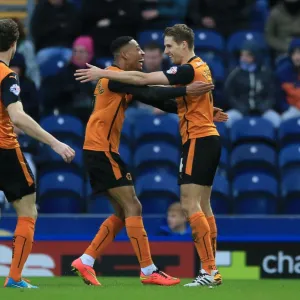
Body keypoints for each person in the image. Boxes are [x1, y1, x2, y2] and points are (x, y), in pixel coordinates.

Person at [75, 24, 226, 287]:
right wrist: (186, 93)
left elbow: (156, 98)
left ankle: (87, 260)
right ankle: (149, 270)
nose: (145, 54)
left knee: (127, 210)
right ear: (124, 55)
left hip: (103, 149)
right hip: (101, 149)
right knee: (134, 207)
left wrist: (201, 107)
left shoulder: (121, 78)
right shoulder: (112, 76)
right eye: (138, 50)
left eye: (167, 46)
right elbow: (152, 89)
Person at [0, 19, 75, 289]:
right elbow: (17, 117)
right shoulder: (7, 76)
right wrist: (54, 142)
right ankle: (15, 278)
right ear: (15, 43)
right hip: (4, 151)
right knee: (27, 211)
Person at [225, 41, 281, 128]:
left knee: (277, 121)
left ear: (255, 56)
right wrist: (241, 108)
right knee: (227, 121)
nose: (243, 58)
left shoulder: (266, 73)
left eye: (247, 55)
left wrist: (264, 107)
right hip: (240, 109)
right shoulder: (234, 74)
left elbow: (272, 94)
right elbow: (229, 95)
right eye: (242, 55)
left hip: (263, 109)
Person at [30, 0, 80, 66]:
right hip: (46, 47)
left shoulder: (70, 8)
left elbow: (76, 29)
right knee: (42, 58)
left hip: (67, 47)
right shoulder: (41, 9)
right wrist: (58, 27)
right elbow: (35, 31)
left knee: (76, 58)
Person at [278, 39, 300, 120]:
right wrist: (288, 108)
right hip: (291, 109)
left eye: (299, 53)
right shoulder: (282, 72)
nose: (297, 57)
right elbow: (279, 97)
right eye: (294, 54)